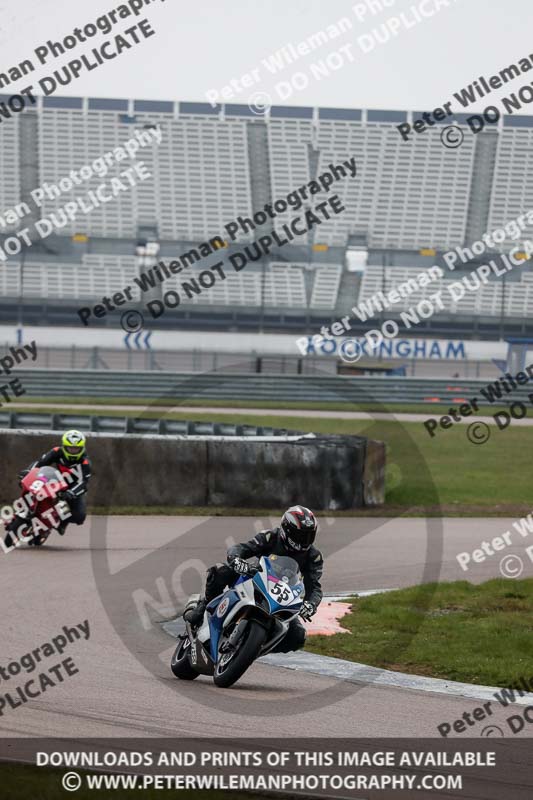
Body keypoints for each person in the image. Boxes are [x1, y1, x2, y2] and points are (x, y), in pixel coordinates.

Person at [184, 506, 323, 653]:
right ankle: (203, 606)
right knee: (220, 571)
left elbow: (314, 587)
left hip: (282, 598)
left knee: (297, 637)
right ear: (286, 530)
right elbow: (242, 548)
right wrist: (236, 560)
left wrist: (311, 604)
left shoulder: (313, 557)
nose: (304, 541)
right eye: (300, 535)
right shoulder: (271, 537)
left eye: (309, 536)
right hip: (255, 578)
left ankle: (253, 649)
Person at [11, 430, 92, 538]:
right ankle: (24, 509)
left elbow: (83, 483)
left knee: (80, 516)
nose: (73, 451)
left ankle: (62, 522)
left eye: (76, 449)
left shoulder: (85, 463)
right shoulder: (56, 451)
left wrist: (71, 493)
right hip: (55, 480)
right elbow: (40, 463)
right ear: (64, 446)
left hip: (73, 488)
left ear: (82, 448)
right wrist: (28, 473)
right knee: (33, 489)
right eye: (70, 448)